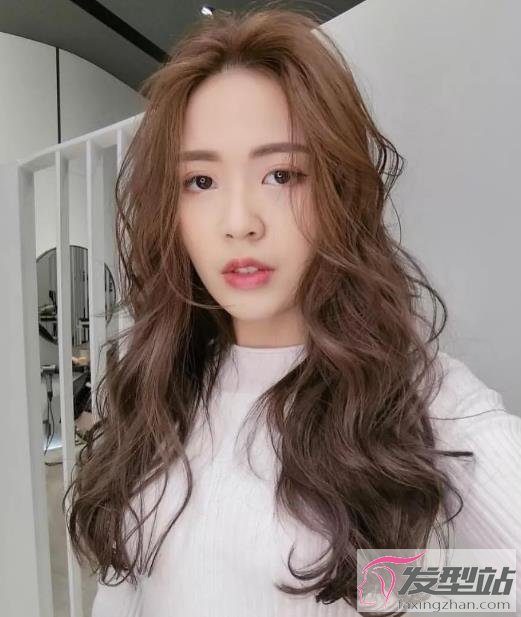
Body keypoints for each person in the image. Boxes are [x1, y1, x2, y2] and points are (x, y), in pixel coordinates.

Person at [63, 5, 521, 617]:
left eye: (281, 174)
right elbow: (124, 585)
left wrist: (381, 585)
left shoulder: (418, 395)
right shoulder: (161, 381)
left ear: (337, 190)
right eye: (201, 181)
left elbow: (504, 577)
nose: (239, 223)